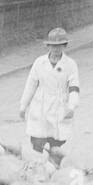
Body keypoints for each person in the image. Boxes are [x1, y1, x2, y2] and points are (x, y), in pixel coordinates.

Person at [19, 27, 80, 167]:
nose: (56, 49)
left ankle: (54, 170)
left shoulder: (70, 64)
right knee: (37, 143)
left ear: (64, 46)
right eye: (53, 45)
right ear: (48, 45)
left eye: (59, 46)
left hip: (59, 106)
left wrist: (72, 106)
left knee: (56, 145)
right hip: (40, 106)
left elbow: (74, 86)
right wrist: (23, 106)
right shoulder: (39, 62)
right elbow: (31, 84)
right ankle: (37, 171)